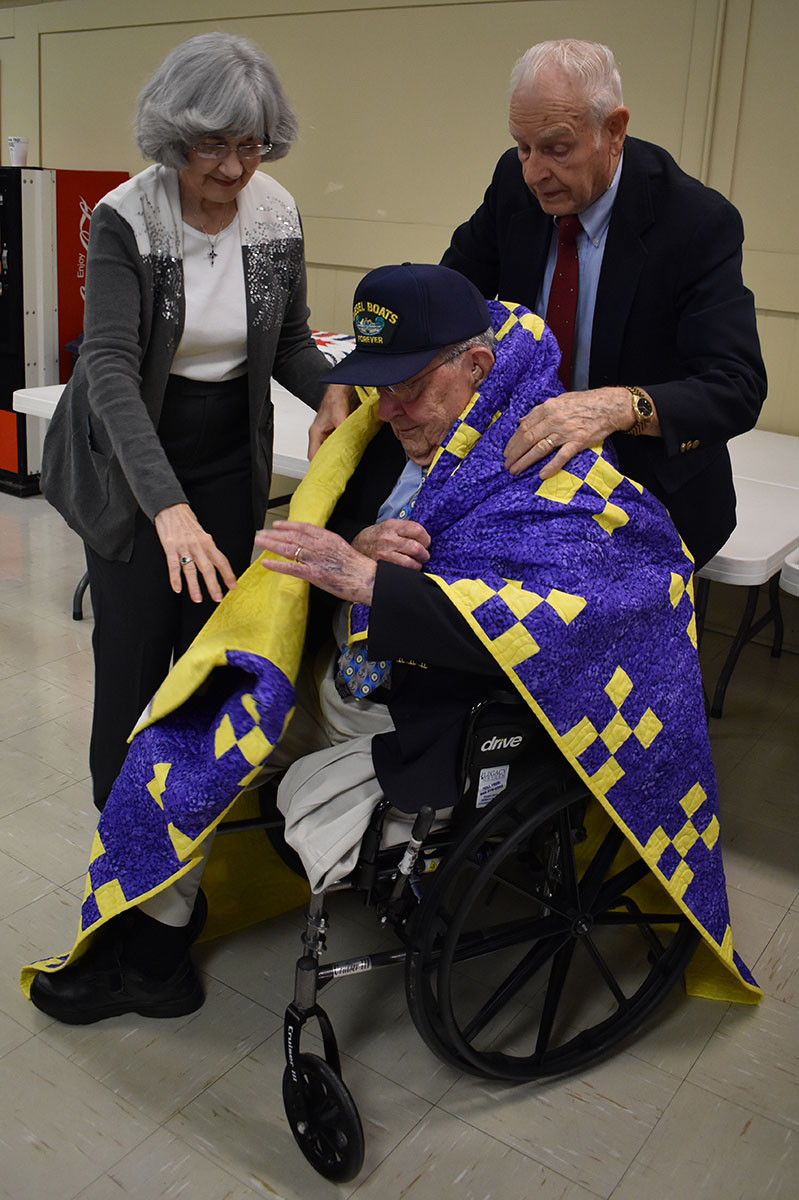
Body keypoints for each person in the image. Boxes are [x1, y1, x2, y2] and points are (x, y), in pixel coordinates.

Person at [24, 263, 757, 1024]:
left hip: (422, 720)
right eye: (378, 385)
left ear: (477, 366)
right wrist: (356, 544)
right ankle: (154, 954)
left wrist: (372, 582)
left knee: (254, 774)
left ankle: (152, 949)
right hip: (329, 676)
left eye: (409, 385)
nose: (391, 409)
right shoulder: (383, 429)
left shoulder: (549, 463)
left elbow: (569, 623)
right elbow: (333, 531)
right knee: (177, 744)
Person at [309, 39, 767, 568]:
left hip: (646, 493)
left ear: (614, 130)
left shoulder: (695, 222)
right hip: (523, 483)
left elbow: (736, 386)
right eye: (523, 147)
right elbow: (436, 303)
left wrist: (613, 407)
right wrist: (351, 377)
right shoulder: (515, 183)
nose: (533, 173)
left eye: (556, 148)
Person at [40, 32, 330, 812]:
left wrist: (340, 396)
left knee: (212, 652)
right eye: (212, 145)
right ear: (176, 135)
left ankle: (194, 824)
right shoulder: (128, 218)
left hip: (229, 450)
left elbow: (290, 341)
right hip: (133, 451)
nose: (233, 168)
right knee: (134, 655)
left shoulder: (274, 213)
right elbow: (107, 366)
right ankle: (123, 829)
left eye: (251, 145)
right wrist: (166, 508)